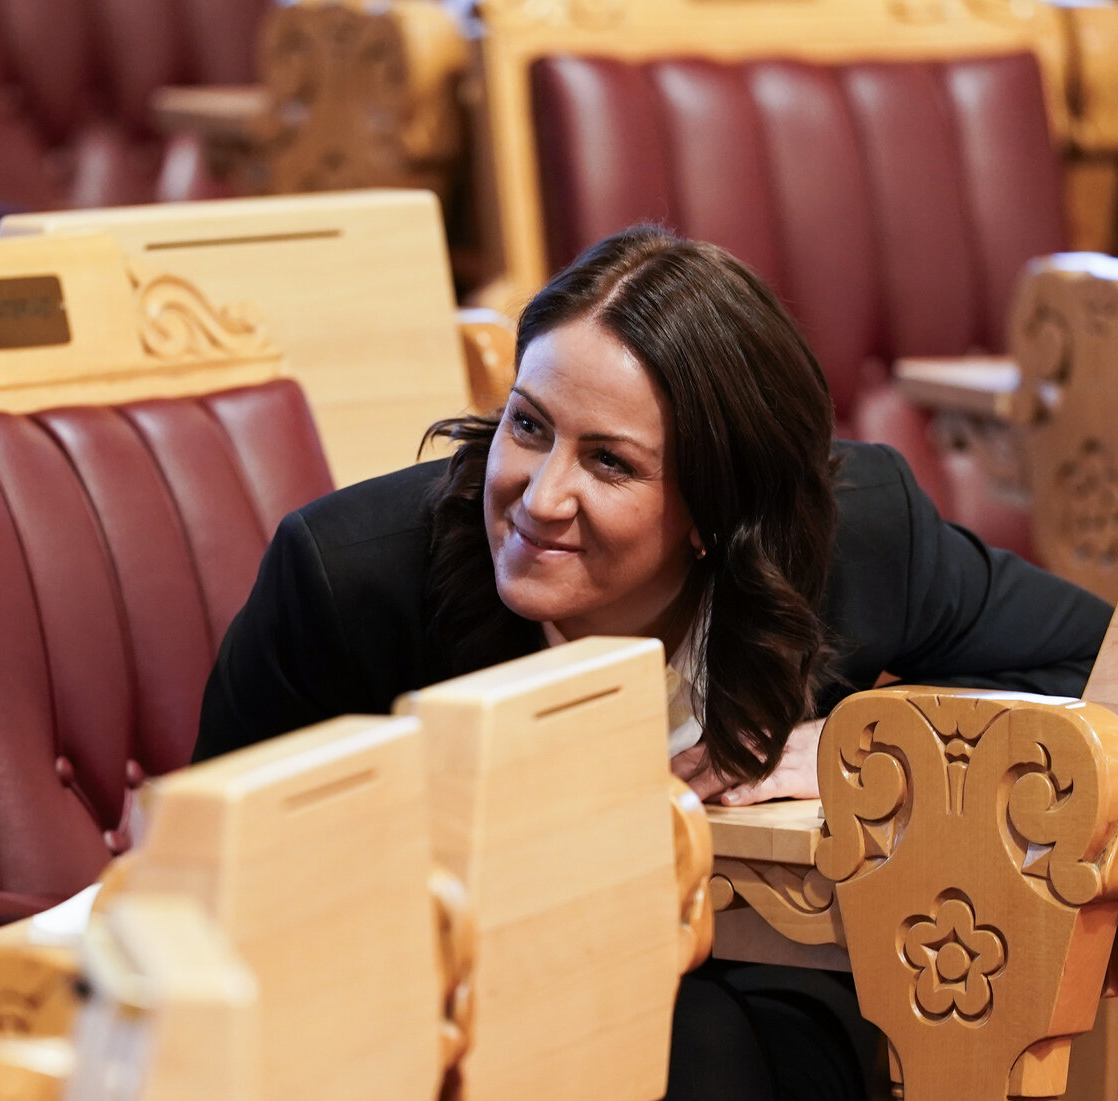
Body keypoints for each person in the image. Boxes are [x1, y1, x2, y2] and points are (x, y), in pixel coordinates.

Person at [194, 225, 1112, 1101]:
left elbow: (1090, 660)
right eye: (528, 425)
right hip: (447, 993)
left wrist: (851, 742)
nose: (539, 497)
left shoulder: (861, 533)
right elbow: (210, 887)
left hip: (757, 963)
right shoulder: (345, 578)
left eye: (610, 463)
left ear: (719, 509)